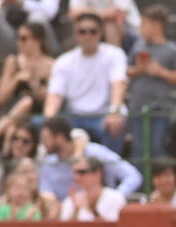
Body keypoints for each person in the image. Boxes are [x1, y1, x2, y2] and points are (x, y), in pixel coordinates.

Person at [43, 12, 128, 153]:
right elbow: (55, 95)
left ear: (101, 33)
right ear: (75, 35)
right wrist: (49, 122)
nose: (87, 36)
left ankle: (109, 170)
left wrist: (114, 111)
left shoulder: (115, 54)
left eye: (92, 31)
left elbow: (118, 84)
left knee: (115, 125)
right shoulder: (64, 61)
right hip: (74, 116)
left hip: (103, 115)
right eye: (82, 32)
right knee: (44, 127)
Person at [0, 20, 55, 158]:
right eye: (18, 38)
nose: (19, 42)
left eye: (24, 38)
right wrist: (17, 79)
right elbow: (1, 98)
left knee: (27, 102)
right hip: (12, 110)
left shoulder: (51, 64)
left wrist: (33, 82)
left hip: (36, 111)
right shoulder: (13, 61)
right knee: (11, 128)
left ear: (37, 40)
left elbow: (49, 98)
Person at [126, 5, 176, 162]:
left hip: (160, 108)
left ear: (157, 25)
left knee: (157, 147)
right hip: (138, 107)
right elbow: (128, 71)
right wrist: (139, 69)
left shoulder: (172, 49)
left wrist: (160, 72)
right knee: (138, 149)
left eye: (144, 24)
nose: (141, 29)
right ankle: (141, 185)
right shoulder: (138, 45)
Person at [38, 116, 142, 198]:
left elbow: (133, 176)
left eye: (46, 138)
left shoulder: (97, 153)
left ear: (60, 137)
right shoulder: (48, 164)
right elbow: (46, 194)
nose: (42, 143)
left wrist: (113, 199)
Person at [0, 0, 60, 64]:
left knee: (37, 18)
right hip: (11, 38)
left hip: (44, 41)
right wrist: (2, 5)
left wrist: (21, 2)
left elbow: (49, 11)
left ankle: (43, 64)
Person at [59, 155, 127, 220]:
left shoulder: (115, 197)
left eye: (82, 172)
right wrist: (76, 210)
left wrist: (93, 211)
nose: (76, 177)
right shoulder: (71, 200)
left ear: (98, 172)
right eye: (75, 172)